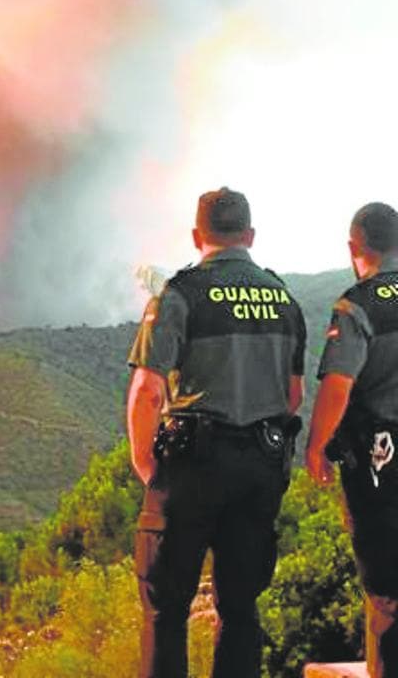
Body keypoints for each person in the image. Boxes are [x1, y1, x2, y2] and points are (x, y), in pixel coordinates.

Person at [126, 187, 306, 678]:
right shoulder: (282, 297)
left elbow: (146, 390)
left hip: (191, 469)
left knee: (166, 610)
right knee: (241, 608)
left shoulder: (180, 294)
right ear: (249, 235)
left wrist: (148, 467)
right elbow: (294, 397)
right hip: (260, 471)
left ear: (195, 235)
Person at [306, 202, 398, 678]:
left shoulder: (358, 305)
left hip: (382, 462)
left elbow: (338, 385)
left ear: (354, 248)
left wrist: (316, 446)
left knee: (385, 588)